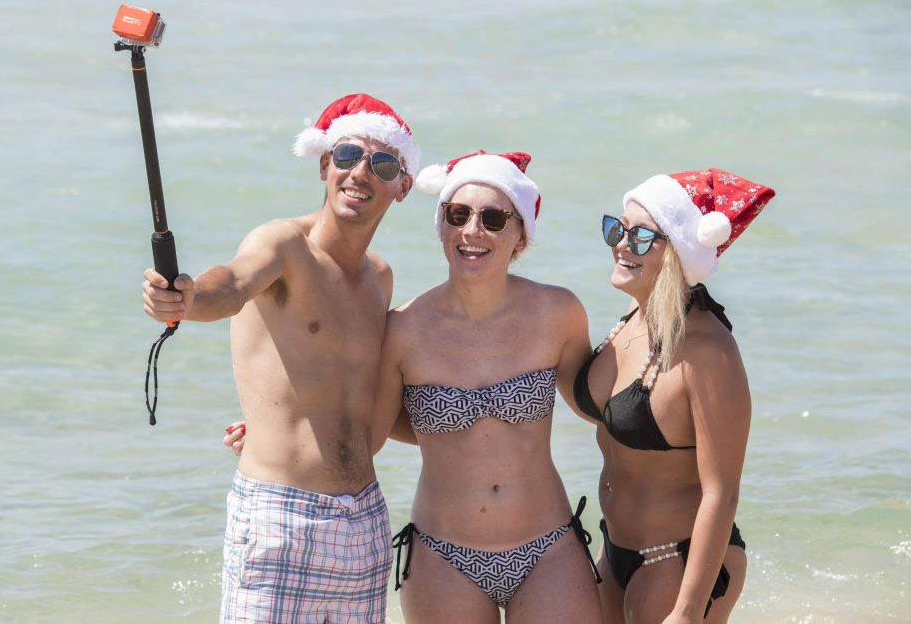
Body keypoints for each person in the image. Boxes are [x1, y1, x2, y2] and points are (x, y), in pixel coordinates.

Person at [143, 93, 419, 623]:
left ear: (402, 186)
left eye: (381, 164)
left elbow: (359, 399)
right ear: (323, 164)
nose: (360, 172)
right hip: (278, 518)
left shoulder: (380, 278)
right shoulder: (282, 245)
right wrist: (187, 295)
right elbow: (233, 282)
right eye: (346, 157)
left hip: (363, 522)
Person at [374, 150, 603, 623]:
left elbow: (599, 405)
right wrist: (282, 425)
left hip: (549, 547)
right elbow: (368, 432)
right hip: (442, 553)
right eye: (458, 215)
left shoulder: (558, 313)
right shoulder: (403, 329)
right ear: (442, 225)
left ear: (520, 237)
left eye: (494, 219)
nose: (472, 231)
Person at [566, 169, 775, 623]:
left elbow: (722, 492)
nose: (622, 244)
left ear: (680, 251)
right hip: (614, 550)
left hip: (677, 562)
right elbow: (606, 409)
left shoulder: (707, 350)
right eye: (617, 229)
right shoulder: (632, 316)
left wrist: (687, 609)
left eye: (642, 237)